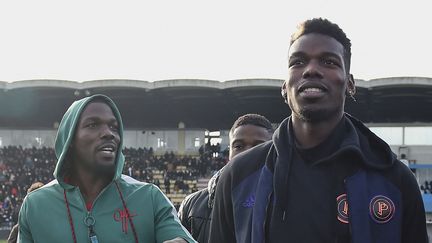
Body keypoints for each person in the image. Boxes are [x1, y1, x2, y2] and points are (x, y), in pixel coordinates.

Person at [209, 18, 428, 243]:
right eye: (298, 62)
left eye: (328, 62)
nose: (311, 70)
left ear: (350, 84)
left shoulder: (395, 180)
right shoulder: (238, 176)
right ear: (285, 87)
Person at [18, 94, 195, 243]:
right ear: (69, 140)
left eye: (114, 127)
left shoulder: (149, 197)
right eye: (93, 125)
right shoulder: (35, 205)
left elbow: (180, 238)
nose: (109, 133)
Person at [178, 114, 273, 242]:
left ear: (272, 152)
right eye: (239, 146)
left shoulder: (287, 200)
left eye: (258, 146)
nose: (247, 153)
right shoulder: (191, 205)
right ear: (229, 152)